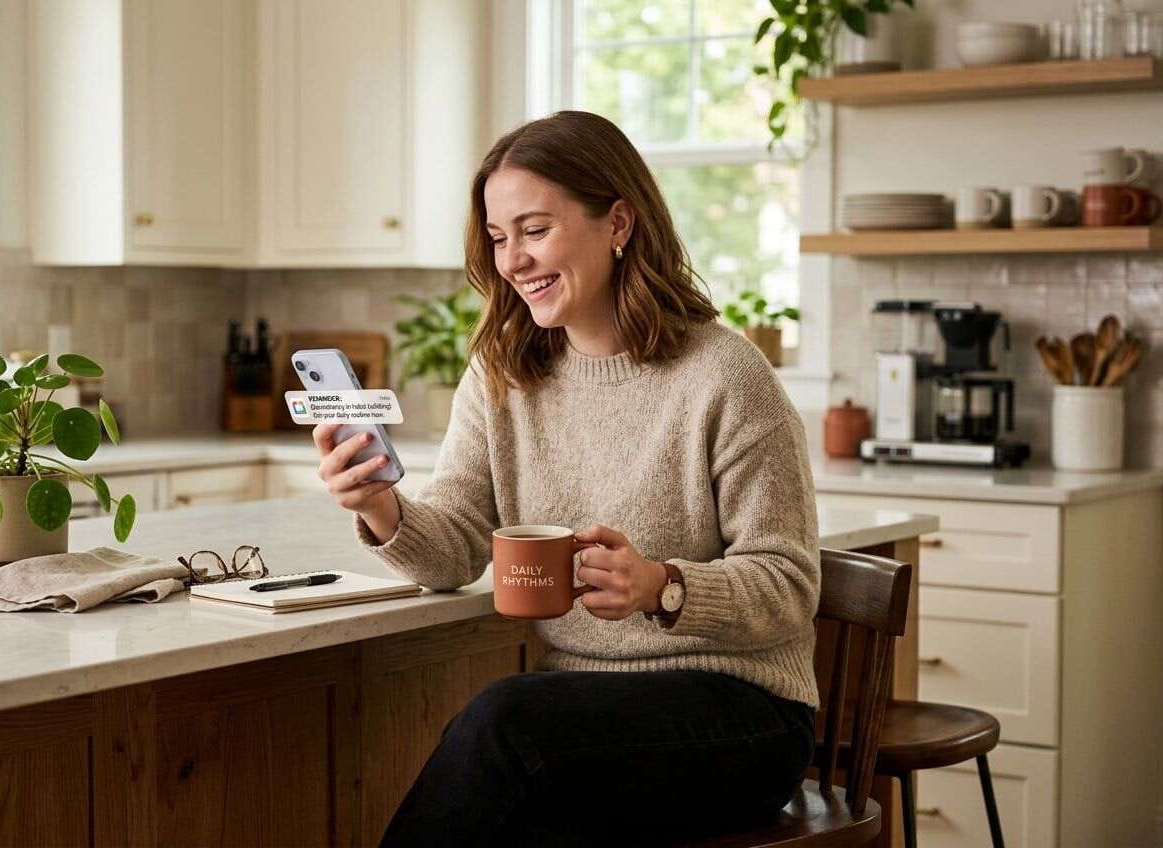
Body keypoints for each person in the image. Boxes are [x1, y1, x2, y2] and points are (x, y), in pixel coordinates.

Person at [312, 110, 820, 846]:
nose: (513, 260)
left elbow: (789, 585)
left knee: (506, 729)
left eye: (535, 229)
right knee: (514, 753)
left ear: (619, 223)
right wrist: (381, 505)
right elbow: (455, 549)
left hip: (742, 713)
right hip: (585, 710)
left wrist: (663, 585)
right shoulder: (503, 375)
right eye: (498, 237)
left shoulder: (725, 375)